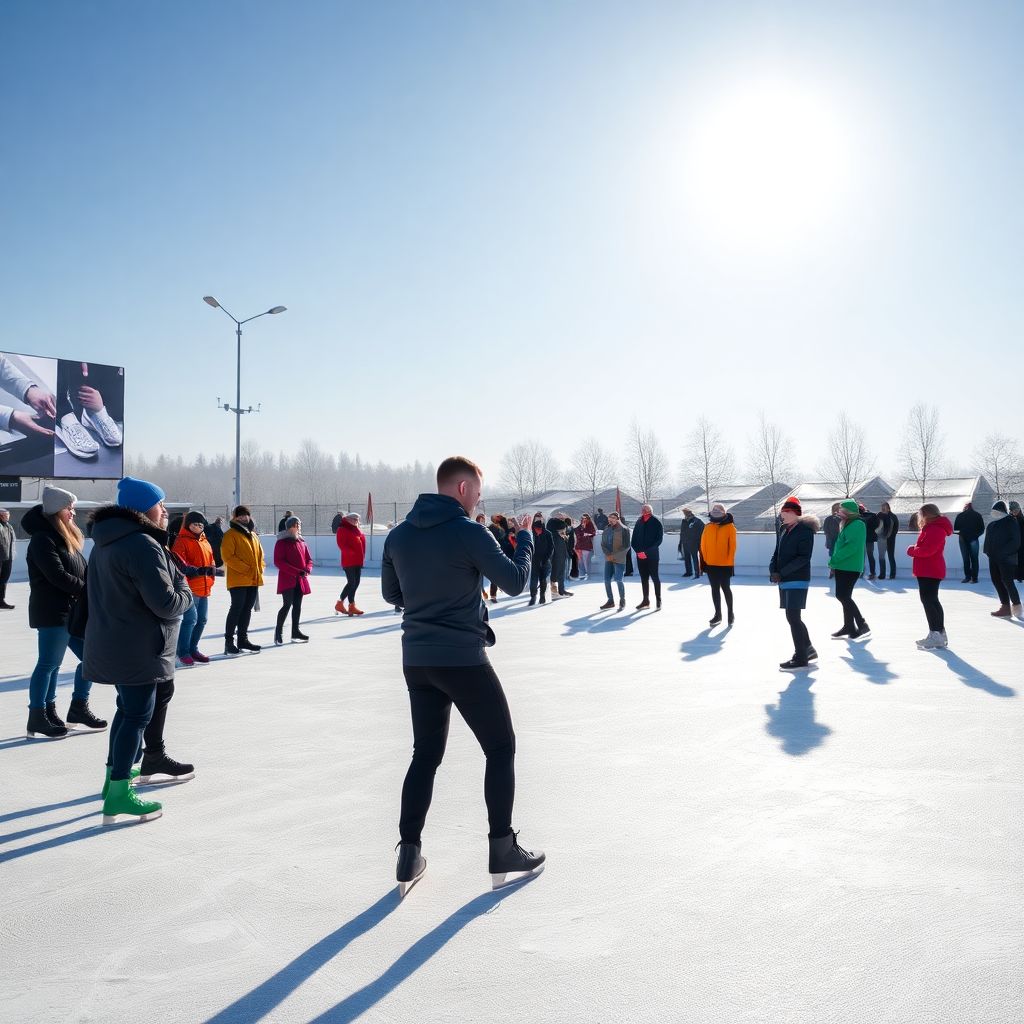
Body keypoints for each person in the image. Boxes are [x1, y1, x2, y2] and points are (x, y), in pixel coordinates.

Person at [381, 455, 543, 895]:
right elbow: (515, 581)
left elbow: (392, 593)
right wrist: (525, 538)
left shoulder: (398, 535)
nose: (479, 502)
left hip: (417, 659)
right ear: (464, 489)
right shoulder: (469, 532)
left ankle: (409, 853)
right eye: (479, 493)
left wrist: (430, 595)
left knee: (425, 755)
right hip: (462, 659)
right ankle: (502, 847)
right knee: (501, 747)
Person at [85, 476, 194, 824]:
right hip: (138, 646)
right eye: (160, 504)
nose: (165, 510)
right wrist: (185, 588)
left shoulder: (107, 541)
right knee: (136, 717)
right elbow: (166, 604)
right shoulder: (142, 544)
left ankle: (112, 780)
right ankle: (119, 793)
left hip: (116, 641)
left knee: (127, 711)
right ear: (145, 509)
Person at [23, 486, 107, 738]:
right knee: (49, 664)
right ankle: (38, 715)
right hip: (53, 611)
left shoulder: (64, 537)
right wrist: (89, 590)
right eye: (69, 508)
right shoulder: (43, 539)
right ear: (56, 510)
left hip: (73, 611)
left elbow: (80, 571)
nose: (73, 512)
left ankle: (77, 707)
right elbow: (57, 575)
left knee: (91, 658)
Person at [770, 497, 819, 669]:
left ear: (795, 514)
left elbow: (804, 558)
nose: (783, 515)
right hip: (784, 579)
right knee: (792, 617)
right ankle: (808, 649)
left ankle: (801, 657)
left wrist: (781, 573)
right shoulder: (784, 530)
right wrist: (773, 570)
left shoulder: (805, 531)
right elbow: (777, 552)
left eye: (786, 512)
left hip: (797, 578)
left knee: (793, 617)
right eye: (782, 512)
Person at [171, 511, 216, 664]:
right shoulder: (181, 541)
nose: (198, 527)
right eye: (195, 524)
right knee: (191, 620)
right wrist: (197, 571)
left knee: (202, 620)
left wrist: (211, 575)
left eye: (200, 524)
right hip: (190, 587)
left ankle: (193, 649)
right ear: (188, 525)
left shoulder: (205, 542)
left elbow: (211, 561)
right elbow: (179, 564)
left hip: (205, 587)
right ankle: (182, 651)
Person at [907, 503, 953, 649]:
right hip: (928, 569)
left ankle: (936, 634)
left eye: (920, 514)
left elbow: (928, 550)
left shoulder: (935, 529)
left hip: (930, 570)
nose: (919, 517)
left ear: (926, 514)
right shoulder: (932, 528)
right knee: (932, 600)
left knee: (929, 601)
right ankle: (938, 633)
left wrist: (912, 550)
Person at [221, 504, 265, 655]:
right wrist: (246, 569)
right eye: (240, 515)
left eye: (246, 514)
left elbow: (260, 556)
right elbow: (228, 556)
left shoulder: (253, 535)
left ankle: (242, 640)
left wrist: (260, 568)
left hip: (253, 579)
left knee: (247, 610)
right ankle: (229, 642)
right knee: (236, 609)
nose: (244, 517)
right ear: (235, 517)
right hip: (238, 580)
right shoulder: (231, 534)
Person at [828, 500, 870, 639]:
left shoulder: (857, 524)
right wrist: (835, 563)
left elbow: (852, 547)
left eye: (841, 510)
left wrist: (834, 559)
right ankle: (849, 627)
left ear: (848, 512)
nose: (838, 512)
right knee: (844, 596)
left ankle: (861, 623)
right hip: (843, 565)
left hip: (849, 566)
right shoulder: (848, 524)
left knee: (843, 596)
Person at [274, 516, 313, 643]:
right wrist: (296, 571)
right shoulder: (282, 542)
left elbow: (309, 559)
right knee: (287, 604)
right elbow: (279, 562)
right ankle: (278, 632)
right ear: (290, 527)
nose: (299, 527)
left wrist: (308, 569)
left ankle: (295, 632)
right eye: (297, 525)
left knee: (297, 606)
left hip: (300, 579)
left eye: (299, 525)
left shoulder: (301, 542)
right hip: (287, 579)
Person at [983, 500, 1022, 619]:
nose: (993, 513)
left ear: (1002, 511)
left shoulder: (1011, 522)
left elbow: (1015, 541)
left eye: (996, 511)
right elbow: (988, 540)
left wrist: (1003, 553)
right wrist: (988, 552)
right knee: (996, 580)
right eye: (993, 511)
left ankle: (1016, 604)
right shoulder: (992, 524)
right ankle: (1005, 606)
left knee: (1007, 581)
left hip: (1007, 559)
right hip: (993, 558)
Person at [700, 502, 737, 626]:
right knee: (714, 589)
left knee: (726, 588)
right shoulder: (707, 527)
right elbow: (703, 545)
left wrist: (730, 563)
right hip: (711, 564)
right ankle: (718, 614)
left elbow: (732, 547)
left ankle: (730, 613)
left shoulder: (730, 527)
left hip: (725, 565)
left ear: (724, 514)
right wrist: (705, 561)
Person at [631, 503, 663, 610]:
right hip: (640, 556)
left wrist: (647, 552)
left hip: (652, 556)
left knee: (655, 577)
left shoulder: (656, 522)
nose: (643, 511)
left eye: (646, 509)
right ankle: (645, 601)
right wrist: (638, 551)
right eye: (643, 509)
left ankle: (658, 600)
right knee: (644, 578)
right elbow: (634, 540)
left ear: (650, 511)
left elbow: (659, 540)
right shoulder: (639, 522)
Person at [335, 511, 367, 615]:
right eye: (354, 519)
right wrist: (351, 552)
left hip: (358, 560)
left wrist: (361, 556)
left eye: (357, 519)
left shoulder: (357, 529)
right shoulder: (343, 529)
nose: (356, 521)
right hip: (349, 560)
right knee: (351, 582)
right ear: (348, 519)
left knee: (356, 583)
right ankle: (340, 602)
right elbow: (341, 544)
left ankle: (351, 606)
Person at [599, 511, 630, 610]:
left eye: (613, 517)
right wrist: (608, 554)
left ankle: (622, 600)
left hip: (619, 559)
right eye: (609, 517)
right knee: (606, 580)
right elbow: (603, 544)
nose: (611, 519)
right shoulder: (606, 529)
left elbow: (627, 546)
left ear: (617, 519)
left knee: (618, 579)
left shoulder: (624, 529)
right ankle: (610, 601)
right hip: (609, 558)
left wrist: (615, 556)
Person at [953, 501, 985, 584]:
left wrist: (962, 533)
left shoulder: (960, 515)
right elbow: (982, 529)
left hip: (963, 539)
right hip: (974, 539)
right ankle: (974, 578)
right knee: (974, 559)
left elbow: (956, 529)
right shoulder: (977, 515)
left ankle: (967, 577)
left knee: (965, 559)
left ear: (965, 507)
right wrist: (976, 535)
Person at [528, 512, 554, 605]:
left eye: (540, 518)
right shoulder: (531, 533)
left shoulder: (547, 533)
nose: (538, 520)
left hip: (545, 560)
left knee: (543, 579)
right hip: (534, 560)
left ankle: (542, 596)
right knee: (533, 579)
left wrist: (546, 558)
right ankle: (533, 596)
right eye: (536, 518)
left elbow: (551, 547)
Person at [546, 513, 573, 600]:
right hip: (557, 556)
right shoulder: (555, 533)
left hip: (558, 555)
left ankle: (560, 591)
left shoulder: (555, 533)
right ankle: (557, 592)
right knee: (557, 572)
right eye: (561, 518)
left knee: (558, 572)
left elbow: (567, 529)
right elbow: (566, 527)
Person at [678, 508, 704, 578]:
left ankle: (698, 572)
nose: (685, 514)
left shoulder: (697, 521)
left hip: (694, 543)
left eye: (686, 512)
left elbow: (703, 531)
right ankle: (689, 572)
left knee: (695, 557)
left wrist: (698, 540)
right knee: (687, 558)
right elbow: (682, 532)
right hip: (685, 542)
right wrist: (681, 542)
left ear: (690, 513)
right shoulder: (684, 521)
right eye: (684, 513)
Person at [0, 507, 15, 609]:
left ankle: (1, 601)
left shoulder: (9, 526)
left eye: (8, 514)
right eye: (6, 515)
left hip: (8, 557)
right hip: (1, 557)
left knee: (4, 579)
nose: (8, 516)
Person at [860, 503, 880, 579]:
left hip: (861, 538)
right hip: (870, 539)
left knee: (861, 556)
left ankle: (861, 572)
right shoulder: (872, 515)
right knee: (870, 555)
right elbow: (877, 525)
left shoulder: (858, 517)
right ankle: (872, 573)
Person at [881, 502, 900, 579]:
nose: (883, 508)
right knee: (882, 557)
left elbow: (895, 528)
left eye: (884, 507)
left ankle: (892, 574)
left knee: (891, 556)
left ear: (888, 508)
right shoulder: (881, 516)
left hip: (890, 539)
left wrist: (890, 536)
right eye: (882, 507)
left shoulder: (893, 516)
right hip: (883, 539)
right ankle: (882, 574)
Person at [575, 512, 597, 579]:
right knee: (580, 562)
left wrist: (585, 532)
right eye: (583, 518)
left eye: (586, 518)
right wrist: (583, 530)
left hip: (587, 547)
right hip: (579, 546)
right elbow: (578, 533)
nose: (584, 519)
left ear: (588, 519)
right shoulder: (579, 526)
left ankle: (588, 575)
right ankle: (582, 574)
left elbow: (593, 533)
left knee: (586, 561)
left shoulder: (590, 525)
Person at [822, 503, 841, 579]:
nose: (836, 510)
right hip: (832, 541)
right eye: (835, 509)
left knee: (838, 556)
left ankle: (837, 571)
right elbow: (825, 529)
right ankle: (833, 570)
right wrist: (828, 539)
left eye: (838, 509)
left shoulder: (842, 519)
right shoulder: (828, 519)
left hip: (839, 541)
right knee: (832, 556)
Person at [1011, 501, 1024, 582]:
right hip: (1014, 544)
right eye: (1013, 510)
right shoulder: (1010, 520)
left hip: (1021, 543)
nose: (1015, 512)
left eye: (1016, 510)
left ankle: (1020, 576)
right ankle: (1017, 576)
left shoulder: (1021, 519)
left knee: (1021, 559)